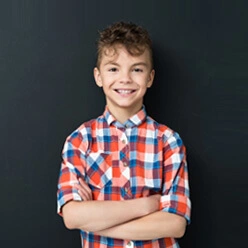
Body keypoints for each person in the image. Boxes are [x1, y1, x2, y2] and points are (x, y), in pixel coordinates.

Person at [57, 21, 191, 248]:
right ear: (98, 76)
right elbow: (72, 217)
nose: (125, 79)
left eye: (137, 69)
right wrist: (148, 205)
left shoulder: (168, 141)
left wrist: (96, 220)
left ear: (149, 78)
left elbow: (175, 223)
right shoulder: (80, 140)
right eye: (113, 68)